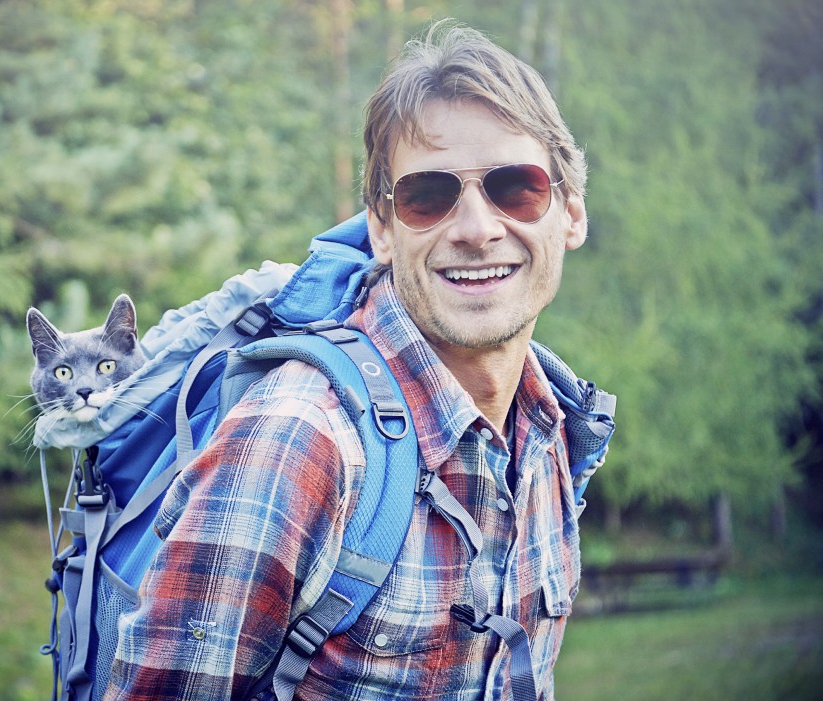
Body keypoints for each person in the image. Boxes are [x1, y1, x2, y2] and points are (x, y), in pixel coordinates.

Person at [104, 19, 589, 701]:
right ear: (383, 227)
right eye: (428, 196)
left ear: (569, 212)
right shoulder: (296, 439)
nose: (478, 229)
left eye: (516, 188)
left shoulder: (553, 427)